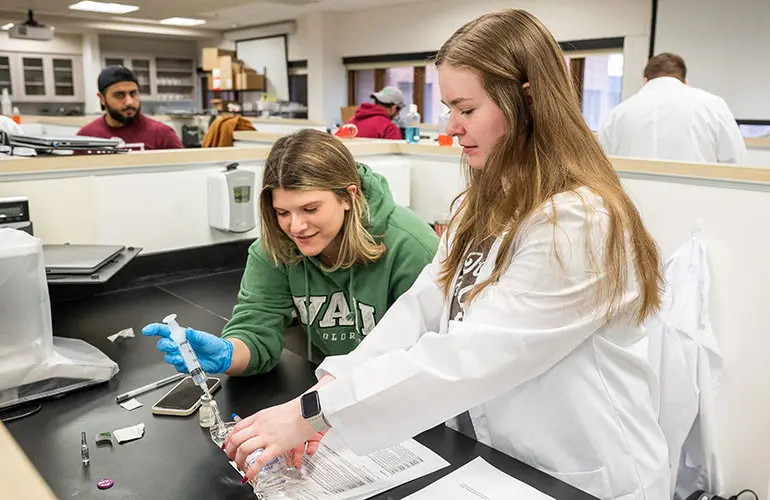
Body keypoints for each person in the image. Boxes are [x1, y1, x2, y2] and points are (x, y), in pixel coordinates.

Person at [223, 10, 671, 500]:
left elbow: (472, 354)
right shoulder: (486, 201)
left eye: (466, 108)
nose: (451, 126)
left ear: (526, 101)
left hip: (581, 467)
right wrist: (326, 389)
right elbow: (420, 310)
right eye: (448, 107)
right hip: (504, 461)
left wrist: (317, 412)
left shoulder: (580, 220)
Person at [143, 129, 438, 378]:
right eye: (282, 212)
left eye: (310, 209)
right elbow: (257, 331)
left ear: (348, 197)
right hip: (333, 385)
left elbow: (429, 353)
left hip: (399, 392)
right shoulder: (276, 248)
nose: (296, 227)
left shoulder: (410, 245)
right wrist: (229, 353)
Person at [598, 52, 746, 164]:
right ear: (685, 81)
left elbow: (601, 166)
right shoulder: (714, 105)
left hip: (630, 201)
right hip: (700, 200)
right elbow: (737, 163)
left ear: (645, 81)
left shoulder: (617, 113)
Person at [77, 66, 183, 150]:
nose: (129, 102)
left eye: (133, 93)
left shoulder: (162, 135)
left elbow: (185, 173)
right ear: (102, 99)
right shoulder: (86, 137)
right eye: (119, 95)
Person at [339, 86, 404, 140]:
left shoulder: (349, 123)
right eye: (398, 111)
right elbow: (396, 154)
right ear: (393, 108)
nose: (397, 114)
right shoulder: (389, 129)